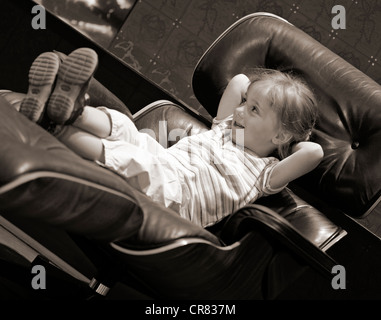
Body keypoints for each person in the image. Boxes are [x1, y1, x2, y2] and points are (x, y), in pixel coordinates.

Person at [19, 48, 324, 228]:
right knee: (125, 128)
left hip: (177, 203)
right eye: (245, 103)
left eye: (253, 109)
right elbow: (239, 82)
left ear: (281, 133)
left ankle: (53, 126)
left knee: (131, 161)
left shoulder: (266, 173)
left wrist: (292, 136)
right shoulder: (225, 128)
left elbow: (313, 153)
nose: (241, 111)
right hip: (162, 161)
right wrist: (255, 102)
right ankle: (72, 112)